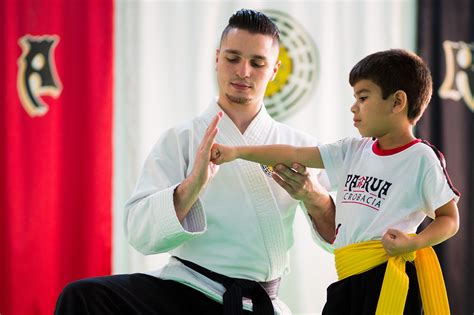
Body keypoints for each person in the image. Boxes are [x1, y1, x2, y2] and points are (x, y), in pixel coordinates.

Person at [54, 8, 336, 315]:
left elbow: (341, 236)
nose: (243, 71)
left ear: (274, 69)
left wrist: (315, 197)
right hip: (185, 289)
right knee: (83, 297)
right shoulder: (182, 139)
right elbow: (139, 233)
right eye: (232, 58)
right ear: (217, 58)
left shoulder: (299, 147)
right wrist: (192, 186)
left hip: (252, 304)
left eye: (257, 63)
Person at [210, 49, 460, 314]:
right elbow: (295, 153)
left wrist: (414, 242)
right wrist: (237, 152)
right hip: (347, 277)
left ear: (398, 102)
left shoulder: (421, 157)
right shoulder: (353, 150)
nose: (354, 107)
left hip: (390, 280)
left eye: (363, 97)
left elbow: (449, 219)